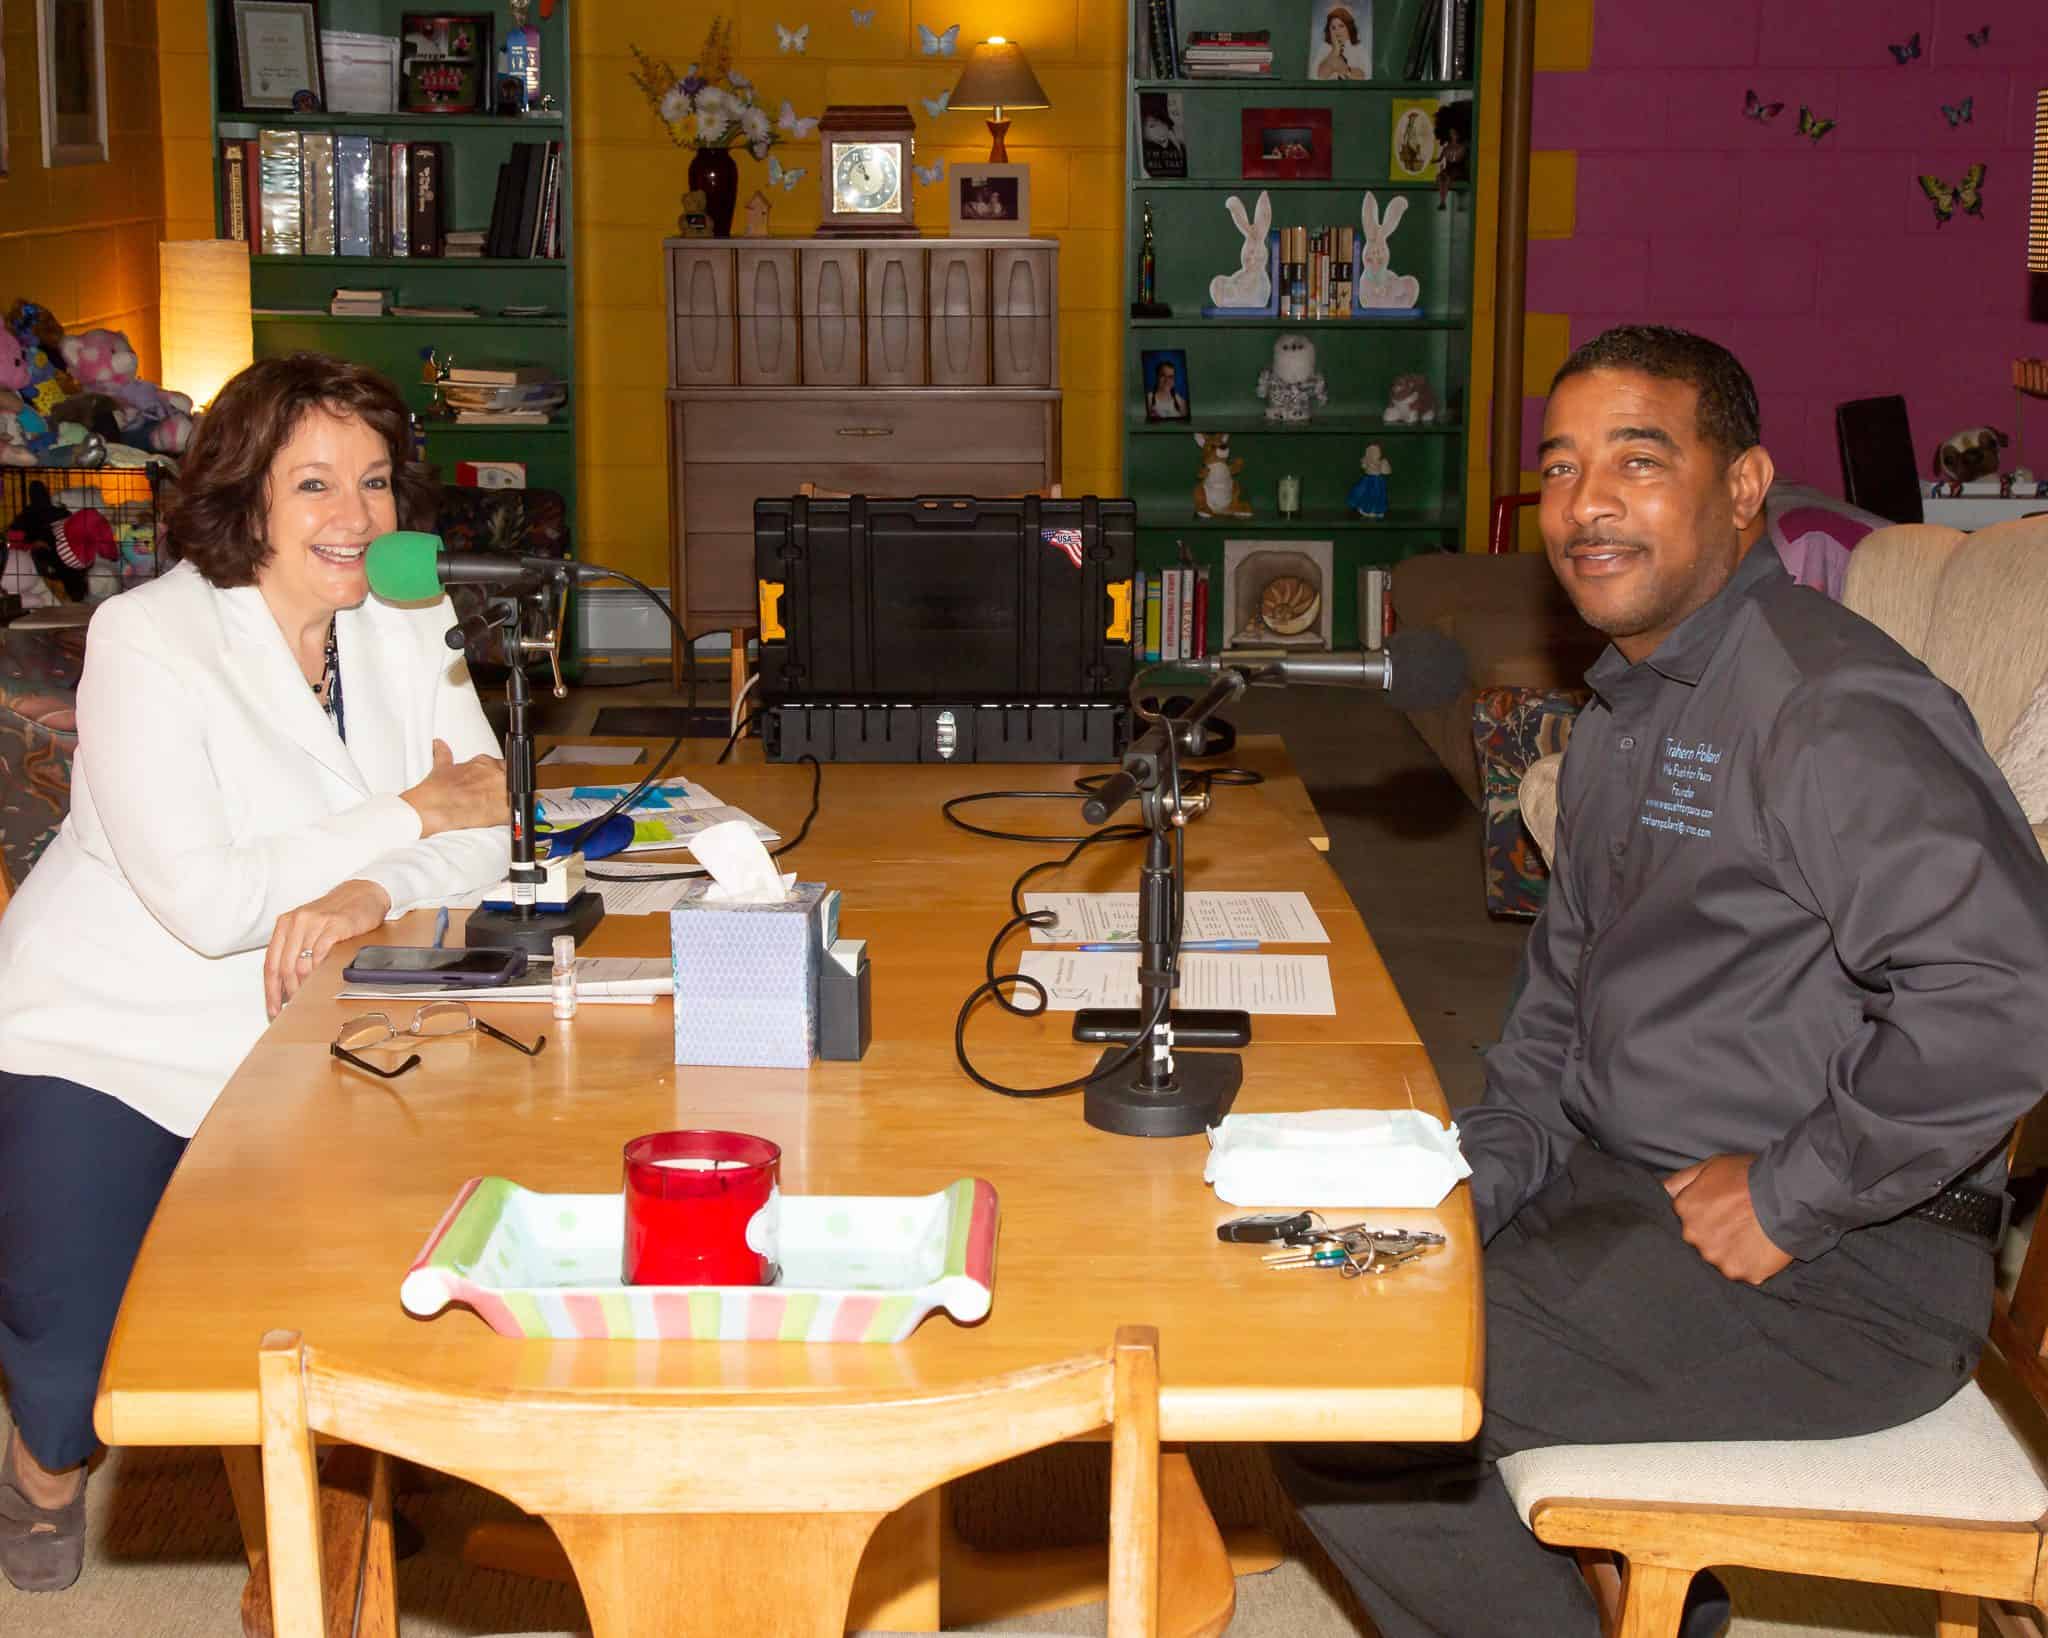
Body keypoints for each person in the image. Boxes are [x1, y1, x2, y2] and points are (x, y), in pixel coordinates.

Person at [1272, 326, 2048, 1638]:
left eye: (1637, 460)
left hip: (1840, 1270)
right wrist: (1466, 1190)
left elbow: (2002, 994)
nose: (1585, 504)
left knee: (1345, 1391)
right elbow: (1555, 1014)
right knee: (1300, 1291)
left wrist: (1796, 1190)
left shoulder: (1829, 708)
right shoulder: (1621, 717)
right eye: (1560, 468)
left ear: (1743, 487)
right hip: (1623, 1195)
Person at [0, 353, 509, 1592]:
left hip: (327, 1022)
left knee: (375, 1284)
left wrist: (368, 891)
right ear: (245, 498)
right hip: (116, 1034)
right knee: (79, 1366)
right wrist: (407, 814)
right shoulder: (150, 636)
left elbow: (487, 826)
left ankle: (350, 1483)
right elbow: (211, 902)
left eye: (376, 482)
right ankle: (38, 1476)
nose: (357, 516)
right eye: (315, 484)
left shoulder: (408, 612)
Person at [1313, 6, 1365, 80]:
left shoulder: (1358, 48)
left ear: (1349, 28)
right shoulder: (1324, 47)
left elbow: (1365, 75)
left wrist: (1344, 70)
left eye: (1341, 26)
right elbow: (1319, 76)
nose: (1337, 31)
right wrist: (1335, 50)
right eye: (1333, 28)